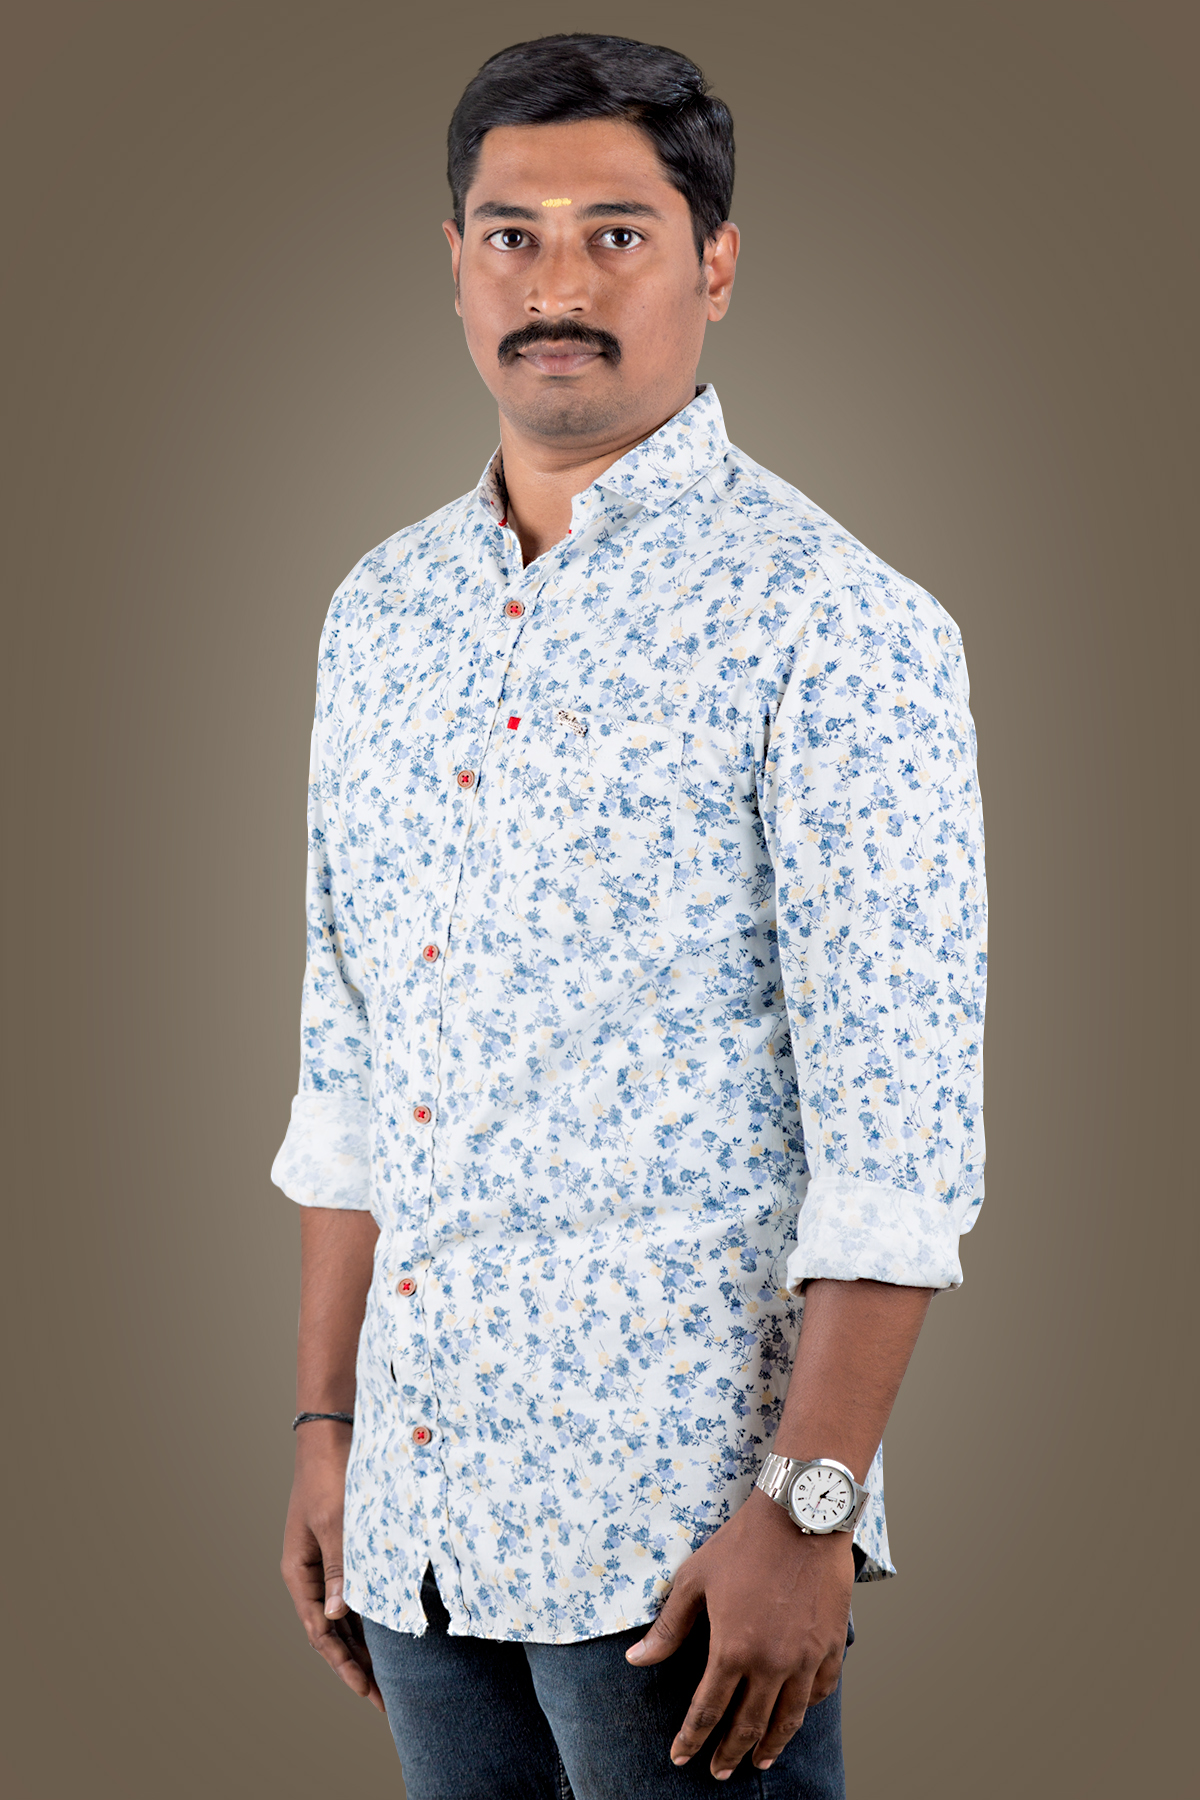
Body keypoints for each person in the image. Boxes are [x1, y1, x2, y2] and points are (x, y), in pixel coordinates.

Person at [273, 32, 986, 1799]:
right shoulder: (380, 614)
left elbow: (900, 1131)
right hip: (422, 1518)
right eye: (511, 236)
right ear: (453, 263)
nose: (558, 288)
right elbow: (350, 1062)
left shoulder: (835, 622)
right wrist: (327, 1427)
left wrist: (810, 1513)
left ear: (715, 264)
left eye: (617, 234)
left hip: (682, 1545)